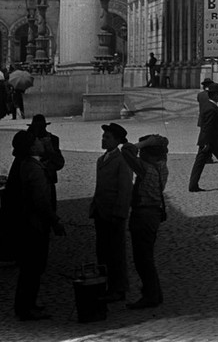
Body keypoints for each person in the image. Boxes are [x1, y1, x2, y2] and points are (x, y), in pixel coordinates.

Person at [2, 130, 66, 320]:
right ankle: (25, 308)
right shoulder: (34, 169)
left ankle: (28, 304)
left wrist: (49, 149)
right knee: (33, 268)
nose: (41, 140)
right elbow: (41, 202)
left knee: (32, 268)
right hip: (34, 225)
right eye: (37, 140)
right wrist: (55, 221)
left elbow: (57, 163)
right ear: (31, 147)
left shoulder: (30, 164)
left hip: (29, 223)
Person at [89, 122, 134, 303]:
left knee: (116, 253)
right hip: (101, 212)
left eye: (107, 137)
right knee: (102, 252)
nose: (103, 139)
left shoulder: (122, 160)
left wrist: (120, 213)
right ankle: (105, 285)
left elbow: (125, 189)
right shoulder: (102, 159)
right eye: (103, 136)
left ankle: (119, 288)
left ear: (117, 141)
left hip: (114, 214)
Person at [124, 134, 169, 309]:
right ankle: (155, 293)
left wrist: (142, 143)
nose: (139, 154)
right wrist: (150, 143)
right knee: (147, 256)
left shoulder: (146, 168)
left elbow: (126, 151)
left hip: (143, 214)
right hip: (154, 214)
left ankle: (150, 295)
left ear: (147, 154)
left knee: (142, 259)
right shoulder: (162, 166)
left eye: (142, 152)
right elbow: (164, 142)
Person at [26, 114, 65, 210]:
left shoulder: (53, 140)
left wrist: (49, 151)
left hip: (48, 179)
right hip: (31, 180)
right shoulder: (28, 140)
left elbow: (59, 163)